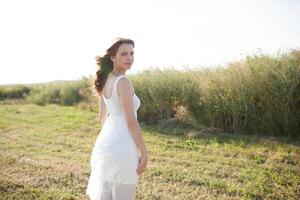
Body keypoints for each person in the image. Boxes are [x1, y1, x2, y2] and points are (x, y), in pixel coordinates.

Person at [86, 37, 148, 200]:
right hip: (124, 146)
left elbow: (102, 117)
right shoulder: (123, 83)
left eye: (132, 53)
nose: (130, 58)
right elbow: (131, 122)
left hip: (107, 144)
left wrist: (110, 138)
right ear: (113, 57)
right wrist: (144, 151)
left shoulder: (105, 80)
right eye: (124, 54)